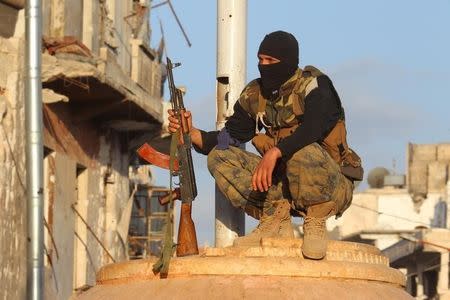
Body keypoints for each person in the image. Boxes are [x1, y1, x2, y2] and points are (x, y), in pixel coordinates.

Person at [168, 30, 362, 260]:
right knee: (219, 157)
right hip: (285, 185)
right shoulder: (255, 94)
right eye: (260, 59)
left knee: (302, 150)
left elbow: (314, 127)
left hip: (331, 185)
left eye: (271, 61)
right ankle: (274, 218)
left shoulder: (314, 85)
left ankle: (315, 222)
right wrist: (192, 133)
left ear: (288, 62)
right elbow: (229, 137)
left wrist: (275, 153)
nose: (264, 65)